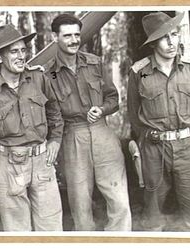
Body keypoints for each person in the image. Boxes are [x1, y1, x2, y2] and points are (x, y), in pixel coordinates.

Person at [0, 24, 64, 231]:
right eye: (14, 51)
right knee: (16, 231)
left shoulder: (39, 78)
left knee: (51, 228)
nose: (21, 56)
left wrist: (56, 140)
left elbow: (54, 112)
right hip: (8, 165)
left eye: (23, 50)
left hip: (42, 161)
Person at [44, 14, 132, 231]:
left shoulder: (95, 63)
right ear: (55, 38)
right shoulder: (48, 75)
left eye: (77, 34)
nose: (74, 40)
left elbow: (113, 98)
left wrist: (101, 109)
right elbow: (52, 115)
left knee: (119, 200)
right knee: (80, 206)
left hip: (102, 134)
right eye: (67, 36)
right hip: (73, 138)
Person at [127, 11, 190, 231]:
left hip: (188, 148)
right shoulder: (139, 72)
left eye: (175, 34)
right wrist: (146, 144)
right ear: (153, 43)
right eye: (165, 37)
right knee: (153, 213)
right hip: (155, 150)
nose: (172, 42)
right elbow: (134, 115)